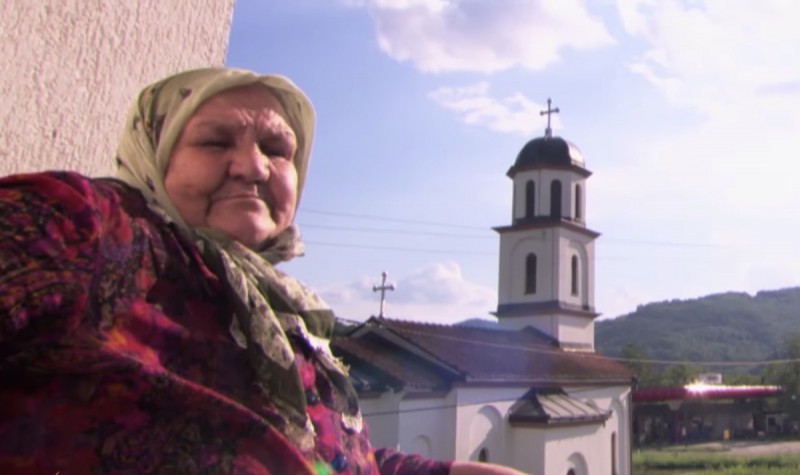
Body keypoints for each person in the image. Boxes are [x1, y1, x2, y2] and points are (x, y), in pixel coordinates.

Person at [0, 67, 528, 474]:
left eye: (277, 150)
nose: (253, 167)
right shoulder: (92, 228)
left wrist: (447, 470)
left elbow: (317, 452)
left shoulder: (283, 313)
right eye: (214, 141)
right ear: (153, 153)